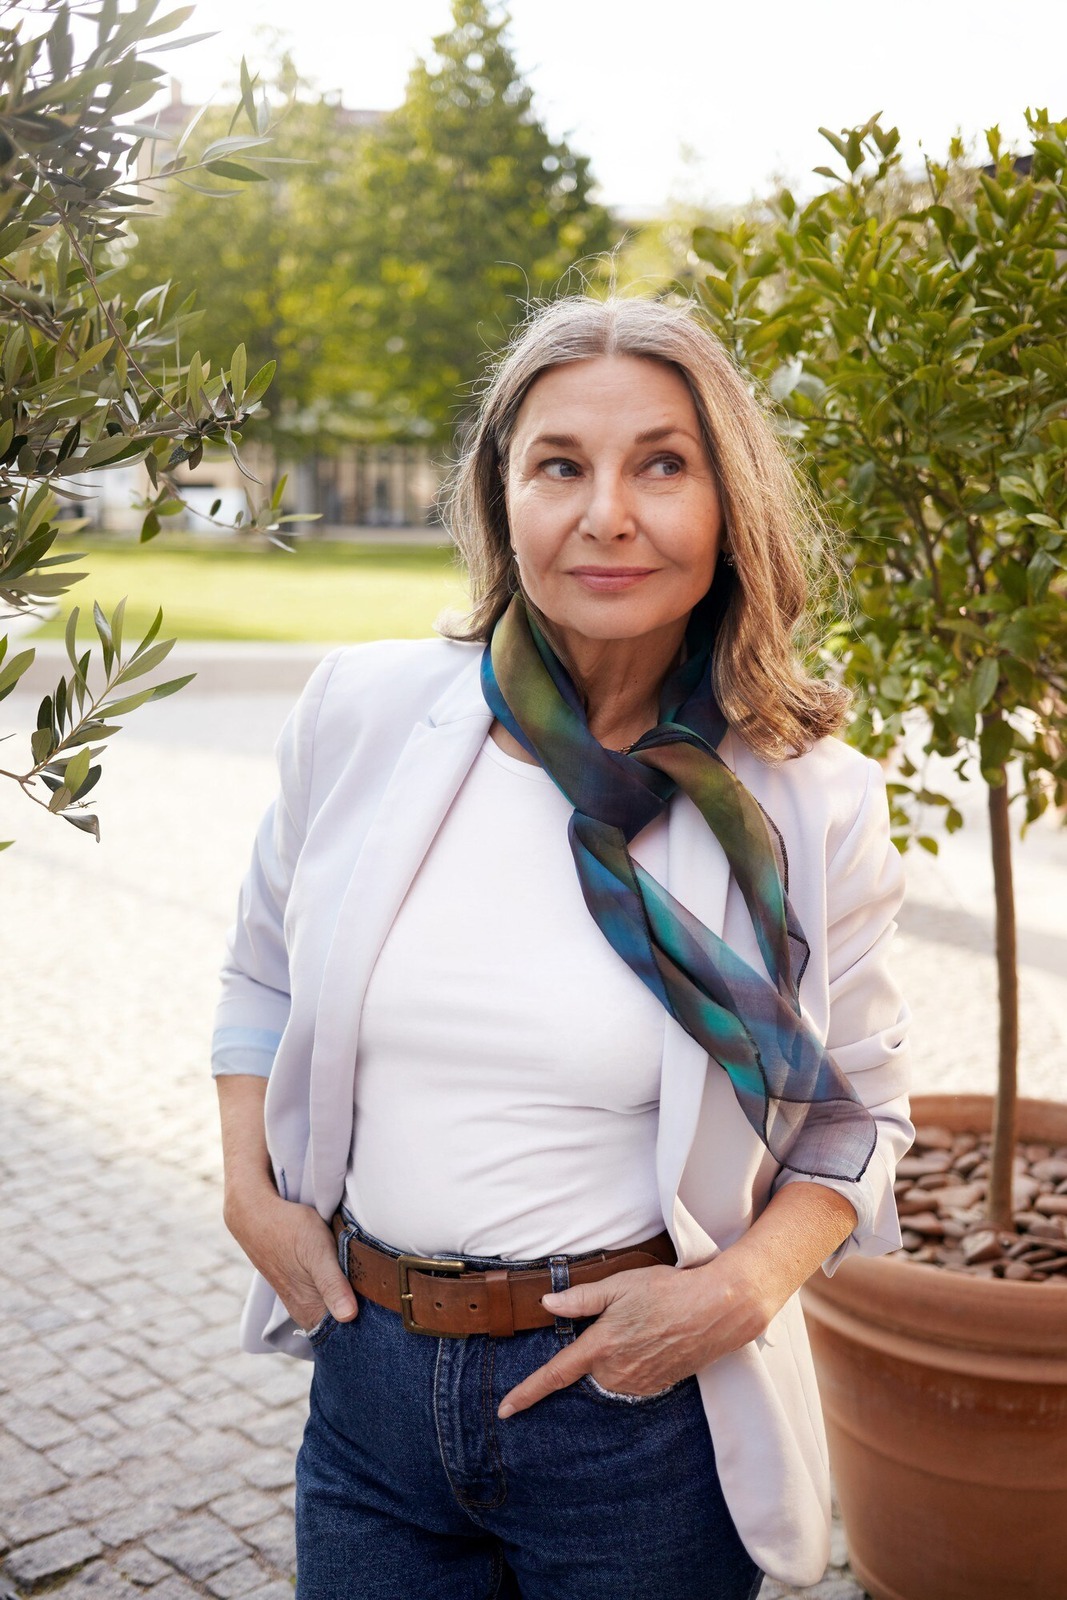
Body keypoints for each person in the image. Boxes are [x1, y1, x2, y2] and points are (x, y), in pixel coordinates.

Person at [212, 295, 911, 1600]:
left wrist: (742, 1290)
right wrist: (249, 1191)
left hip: (634, 1414)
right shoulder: (363, 712)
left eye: (661, 463)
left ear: (728, 503)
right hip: (369, 1398)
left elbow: (854, 1121)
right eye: (559, 466)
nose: (606, 513)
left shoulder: (810, 803)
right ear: (501, 497)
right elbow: (260, 977)